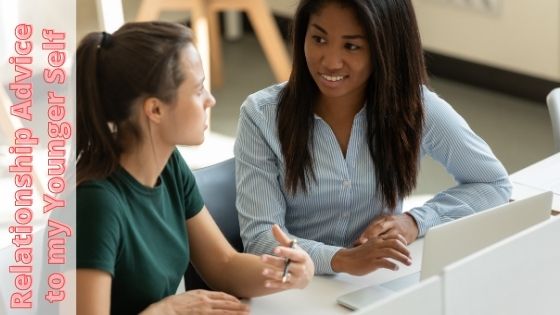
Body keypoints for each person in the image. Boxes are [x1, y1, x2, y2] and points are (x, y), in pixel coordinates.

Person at [235, 0, 512, 276]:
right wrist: (342, 259)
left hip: (375, 282)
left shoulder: (415, 108)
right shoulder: (261, 116)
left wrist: (415, 221)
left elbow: (492, 183)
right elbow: (260, 238)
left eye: (351, 46)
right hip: (295, 287)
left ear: (386, 47)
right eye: (318, 39)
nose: (330, 61)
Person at [76, 21, 314, 315]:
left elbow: (224, 266)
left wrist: (284, 270)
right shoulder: (95, 203)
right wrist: (166, 312)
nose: (211, 100)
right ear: (155, 110)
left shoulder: (169, 166)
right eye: (199, 89)